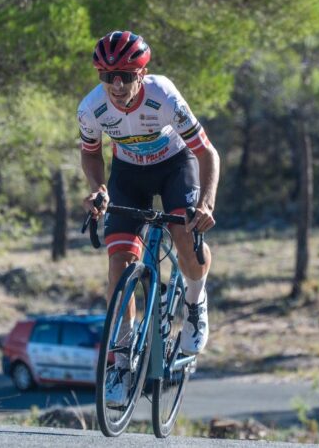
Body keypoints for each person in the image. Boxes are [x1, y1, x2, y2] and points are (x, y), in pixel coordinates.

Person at [78, 30, 220, 406]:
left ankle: (195, 302)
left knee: (186, 236)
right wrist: (98, 189)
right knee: (119, 265)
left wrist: (206, 203)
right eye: (108, 77)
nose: (117, 84)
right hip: (128, 175)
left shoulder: (165, 97)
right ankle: (121, 365)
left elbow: (208, 154)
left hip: (176, 167)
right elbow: (91, 154)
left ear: (142, 73)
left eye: (125, 74)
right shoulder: (91, 108)